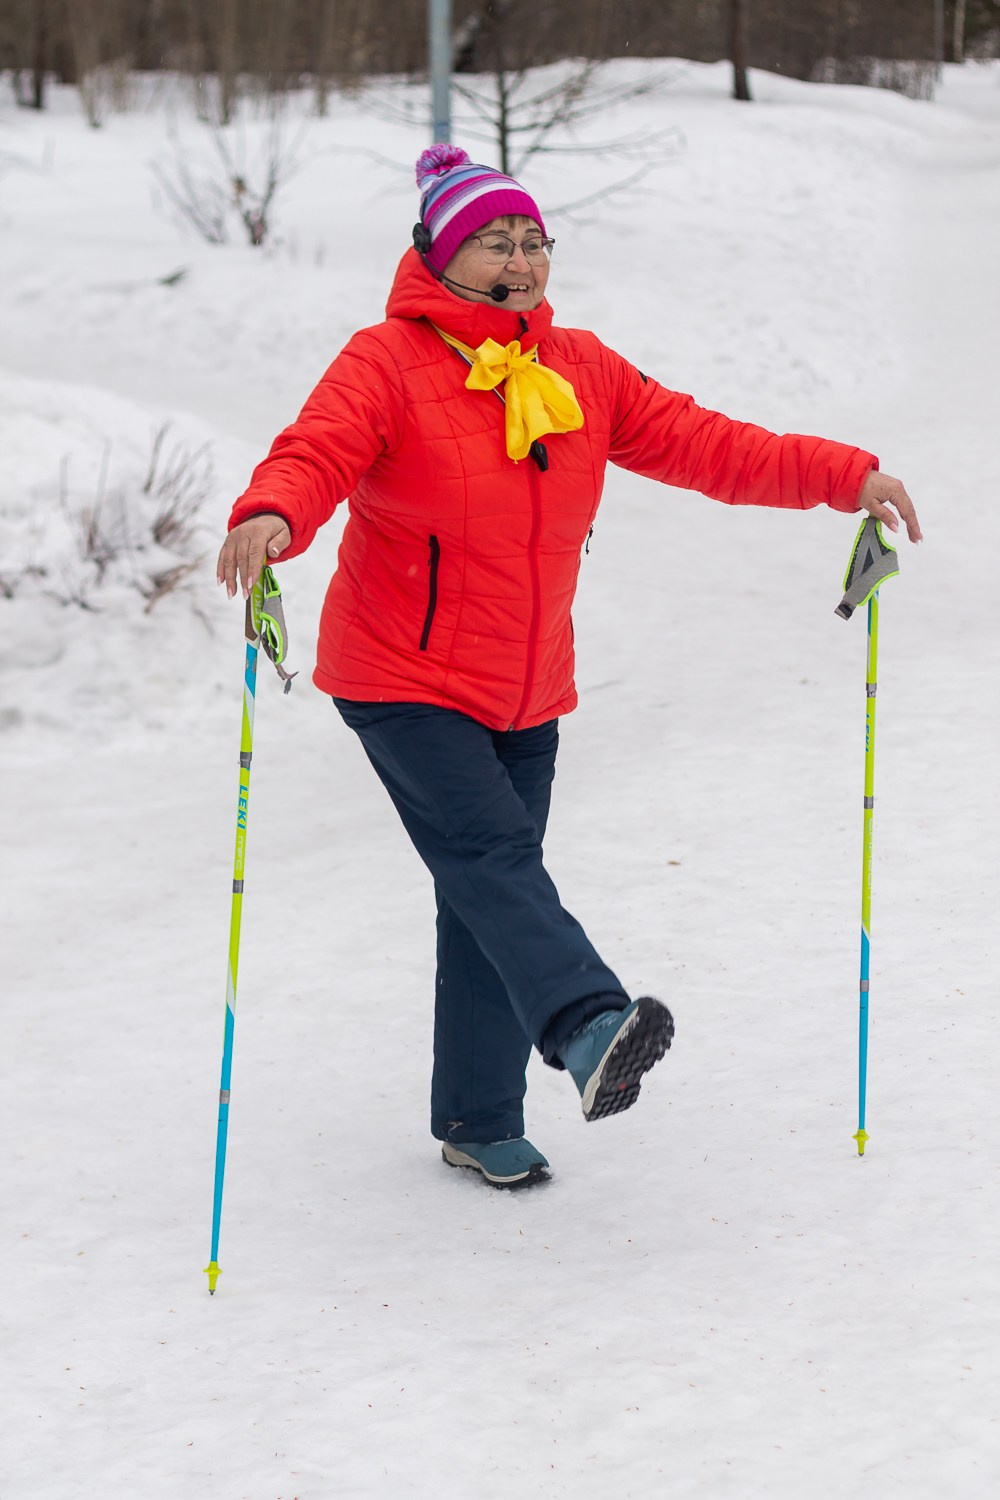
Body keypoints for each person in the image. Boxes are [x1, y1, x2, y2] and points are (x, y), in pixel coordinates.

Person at [217, 145, 922, 1190]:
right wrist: (273, 512)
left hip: (526, 684)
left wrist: (844, 475)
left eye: (533, 241)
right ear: (439, 257)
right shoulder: (386, 361)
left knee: (486, 893)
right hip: (402, 675)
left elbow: (708, 443)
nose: (521, 261)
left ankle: (477, 1117)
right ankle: (589, 1024)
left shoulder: (580, 370)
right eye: (493, 243)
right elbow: (317, 449)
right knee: (495, 858)